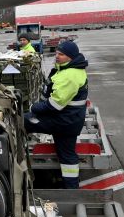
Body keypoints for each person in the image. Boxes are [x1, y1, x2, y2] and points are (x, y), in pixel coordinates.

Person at [24, 40, 88, 188]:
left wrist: (33, 107)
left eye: (61, 54)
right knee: (67, 156)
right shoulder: (71, 69)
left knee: (23, 120)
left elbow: (54, 105)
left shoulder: (69, 76)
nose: (57, 56)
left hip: (62, 121)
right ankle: (71, 188)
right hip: (71, 121)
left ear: (70, 57)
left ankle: (19, 156)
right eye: (57, 53)